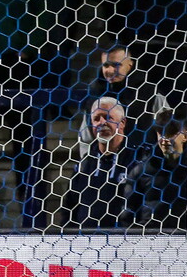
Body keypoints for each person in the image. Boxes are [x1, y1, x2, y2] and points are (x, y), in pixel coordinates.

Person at [61, 97, 142, 229]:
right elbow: (69, 210)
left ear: (122, 123)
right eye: (97, 119)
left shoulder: (136, 161)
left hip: (124, 243)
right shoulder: (84, 165)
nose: (102, 123)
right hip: (86, 243)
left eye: (108, 117)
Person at [77, 45, 167, 158]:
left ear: (130, 65)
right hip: (104, 166)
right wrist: (88, 164)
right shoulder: (95, 97)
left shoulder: (150, 94)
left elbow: (169, 128)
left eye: (116, 65)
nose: (110, 70)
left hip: (140, 166)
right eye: (106, 65)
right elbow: (86, 138)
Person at [119, 109, 187, 229]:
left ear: (185, 135)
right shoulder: (140, 171)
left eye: (171, 133)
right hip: (150, 240)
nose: (165, 140)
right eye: (161, 133)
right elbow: (127, 215)